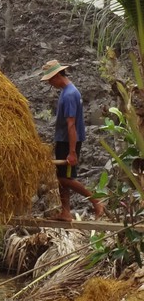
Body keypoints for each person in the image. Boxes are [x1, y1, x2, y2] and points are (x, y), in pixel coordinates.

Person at [40, 59, 104, 221]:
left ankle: (96, 201)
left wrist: (72, 152)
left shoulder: (69, 95)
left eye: (49, 80)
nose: (49, 84)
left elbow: (71, 126)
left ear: (56, 76)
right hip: (64, 141)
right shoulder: (67, 91)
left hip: (69, 142)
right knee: (62, 177)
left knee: (64, 179)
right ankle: (66, 212)